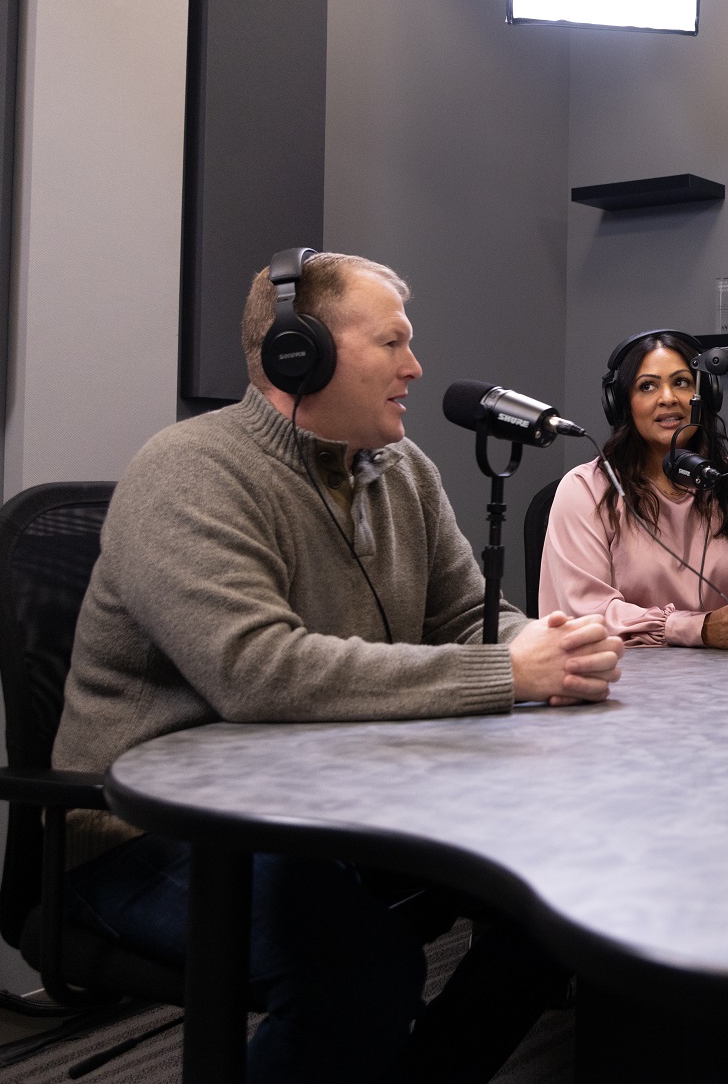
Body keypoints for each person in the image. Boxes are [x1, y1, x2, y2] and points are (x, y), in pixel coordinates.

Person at [52, 250, 624, 1084]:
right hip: (154, 834)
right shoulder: (188, 472)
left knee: (559, 904)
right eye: (392, 343)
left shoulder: (405, 472)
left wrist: (549, 645)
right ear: (299, 352)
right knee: (356, 976)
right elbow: (257, 671)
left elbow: (466, 616)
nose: (415, 366)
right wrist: (506, 675)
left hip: (327, 810)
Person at [540, 330, 728, 649]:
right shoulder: (585, 490)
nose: (668, 397)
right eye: (648, 386)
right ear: (621, 403)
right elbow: (586, 614)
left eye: (681, 382)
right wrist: (697, 628)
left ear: (703, 393)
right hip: (623, 684)